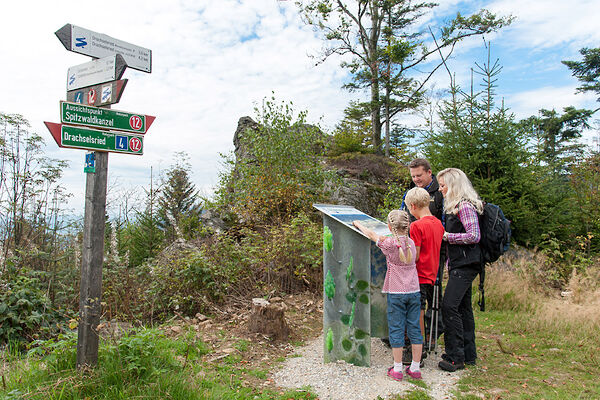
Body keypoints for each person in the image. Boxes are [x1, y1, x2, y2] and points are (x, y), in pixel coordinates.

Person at [353, 211, 423, 381]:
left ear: (390, 227)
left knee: (396, 329)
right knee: (415, 328)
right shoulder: (412, 243)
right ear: (407, 226)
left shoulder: (390, 244)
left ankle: (397, 369)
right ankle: (415, 368)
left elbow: (371, 235)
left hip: (396, 293)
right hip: (414, 292)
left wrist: (358, 224)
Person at [437, 168, 483, 372]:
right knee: (464, 308)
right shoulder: (457, 206)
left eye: (443, 185)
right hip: (461, 263)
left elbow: (474, 235)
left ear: (453, 185)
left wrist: (447, 236)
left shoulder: (464, 206)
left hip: (465, 265)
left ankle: (455, 357)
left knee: (449, 307)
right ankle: (468, 354)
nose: (440, 189)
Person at [404, 187, 445, 348]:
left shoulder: (416, 226)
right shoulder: (438, 224)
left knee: (417, 310)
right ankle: (429, 339)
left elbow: (416, 255)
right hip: (433, 273)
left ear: (413, 206)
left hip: (419, 274)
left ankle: (418, 344)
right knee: (429, 306)